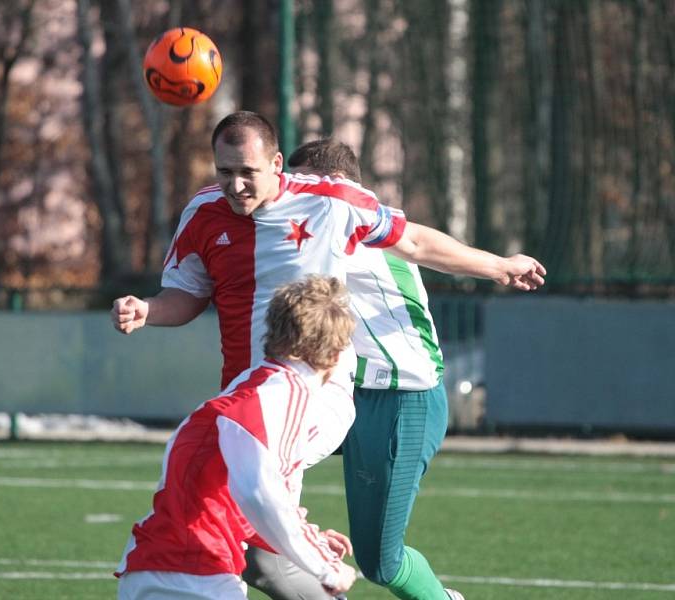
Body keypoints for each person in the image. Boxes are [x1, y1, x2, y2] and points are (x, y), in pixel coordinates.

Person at [112, 111, 545, 599]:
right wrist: (147, 309)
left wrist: (499, 266)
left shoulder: (332, 203)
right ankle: (301, 543)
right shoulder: (202, 214)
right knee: (253, 544)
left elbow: (417, 241)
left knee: (255, 525)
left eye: (247, 172)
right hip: (245, 398)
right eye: (224, 171)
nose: (234, 185)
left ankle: (302, 544)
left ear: (278, 165)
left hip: (309, 398)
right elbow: (187, 296)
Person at [115, 275, 359, 599]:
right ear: (334, 354)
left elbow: (236, 502)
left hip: (155, 567)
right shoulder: (284, 394)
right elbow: (260, 492)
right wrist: (324, 564)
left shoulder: (252, 385)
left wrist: (306, 538)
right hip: (195, 575)